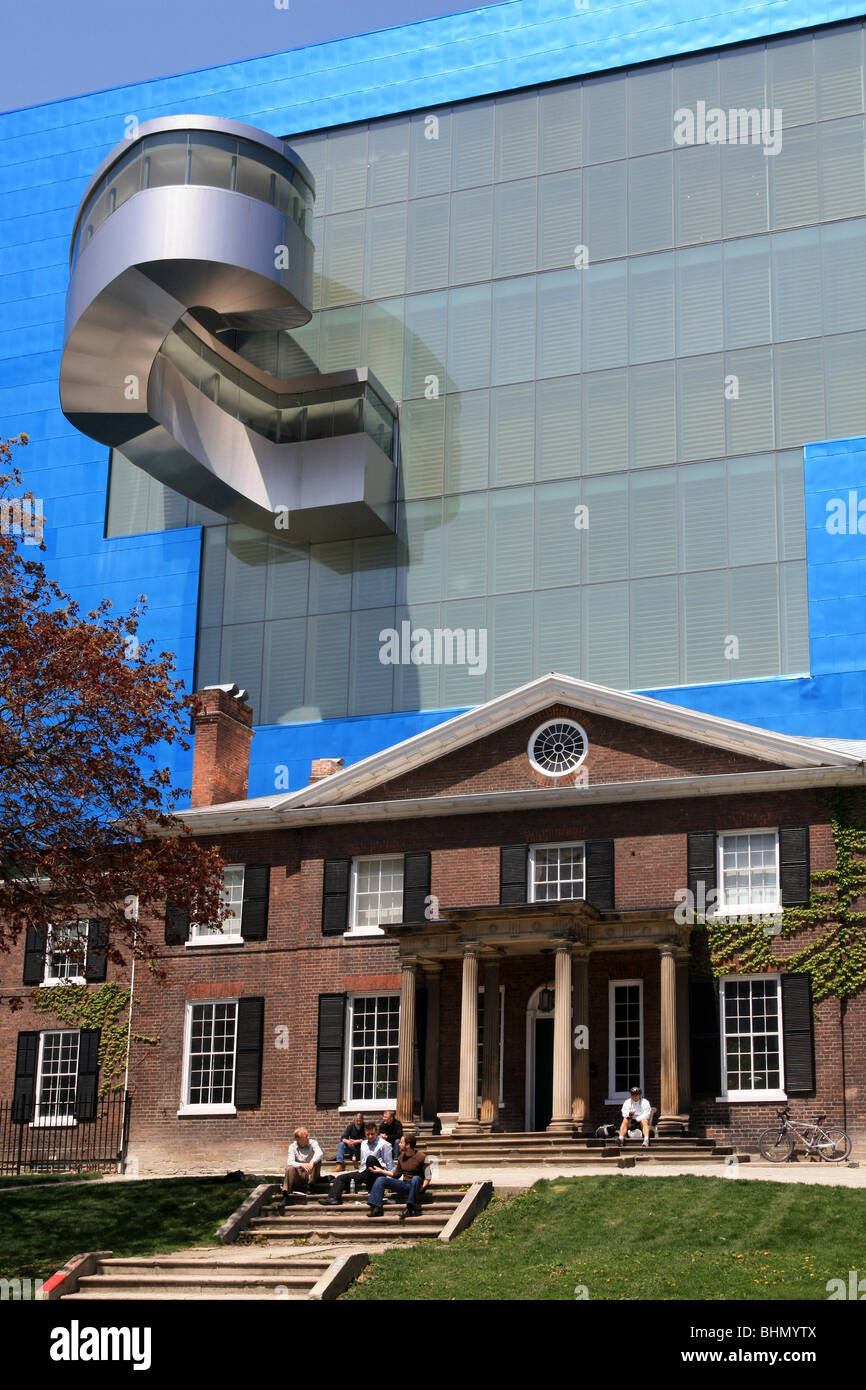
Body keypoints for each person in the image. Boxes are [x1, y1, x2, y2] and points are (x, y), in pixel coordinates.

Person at [366, 1132, 432, 1220]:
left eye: (401, 1142)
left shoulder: (422, 1157)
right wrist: (381, 1171)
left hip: (417, 1185)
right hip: (405, 1184)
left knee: (416, 1178)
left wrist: (423, 1187)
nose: (399, 1144)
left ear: (408, 1145)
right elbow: (396, 1175)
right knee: (381, 1179)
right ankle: (376, 1207)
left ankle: (409, 1209)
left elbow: (428, 1176)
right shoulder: (401, 1157)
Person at [323, 1122, 392, 1205]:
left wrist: (388, 1180)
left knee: (371, 1159)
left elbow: (389, 1165)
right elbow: (363, 1162)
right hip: (364, 1172)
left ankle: (370, 1188)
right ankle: (333, 1198)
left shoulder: (384, 1144)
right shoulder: (363, 1144)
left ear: (377, 1132)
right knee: (341, 1177)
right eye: (367, 1134)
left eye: (372, 1134)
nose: (370, 1136)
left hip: (378, 1173)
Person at [283, 1126, 323, 1196]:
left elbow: (320, 1153)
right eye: (306, 1136)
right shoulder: (292, 1147)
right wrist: (302, 1165)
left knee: (317, 1161)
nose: (308, 1137)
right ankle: (285, 1193)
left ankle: (310, 1186)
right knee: (289, 1168)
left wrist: (312, 1162)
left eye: (308, 1135)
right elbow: (290, 1162)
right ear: (299, 1139)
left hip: (311, 1173)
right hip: (299, 1174)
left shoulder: (313, 1143)